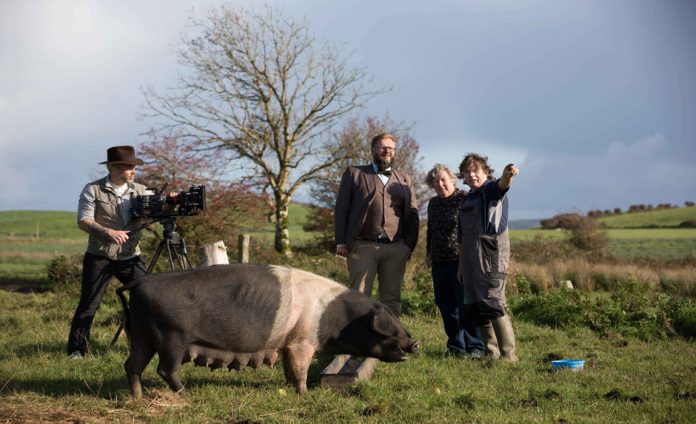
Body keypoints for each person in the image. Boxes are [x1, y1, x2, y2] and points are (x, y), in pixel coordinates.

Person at [67, 145, 150, 358]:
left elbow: (158, 208)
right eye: (129, 166)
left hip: (130, 257)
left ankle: (140, 347)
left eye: (134, 166)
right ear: (114, 167)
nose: (134, 170)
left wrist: (171, 202)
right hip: (99, 256)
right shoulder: (93, 189)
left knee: (147, 299)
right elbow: (83, 221)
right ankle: (77, 350)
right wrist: (108, 232)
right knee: (89, 304)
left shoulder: (141, 190)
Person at [334, 133, 419, 317]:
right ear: (373, 150)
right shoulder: (354, 173)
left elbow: (413, 214)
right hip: (362, 245)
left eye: (391, 148)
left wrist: (408, 246)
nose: (387, 151)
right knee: (358, 295)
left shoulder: (406, 179)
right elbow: (342, 210)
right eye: (383, 147)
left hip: (396, 247)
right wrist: (341, 242)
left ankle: (388, 341)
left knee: (392, 297)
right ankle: (356, 342)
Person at [456, 153, 520, 362]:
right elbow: (462, 237)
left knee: (493, 300)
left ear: (486, 172)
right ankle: (491, 353)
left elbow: (503, 184)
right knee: (476, 303)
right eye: (467, 172)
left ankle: (509, 356)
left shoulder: (490, 191)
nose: (472, 175)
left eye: (476, 171)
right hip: (469, 253)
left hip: (489, 250)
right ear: (463, 177)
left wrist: (508, 174)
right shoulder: (468, 198)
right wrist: (461, 266)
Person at [425, 164, 484, 357]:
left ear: (452, 180)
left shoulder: (463, 199)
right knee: (446, 306)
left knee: (465, 305)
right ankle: (456, 347)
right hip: (439, 263)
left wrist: (463, 263)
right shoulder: (433, 203)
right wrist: (429, 252)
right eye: (436, 181)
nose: (440, 184)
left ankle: (475, 346)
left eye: (443, 179)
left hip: (460, 261)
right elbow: (431, 230)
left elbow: (469, 232)